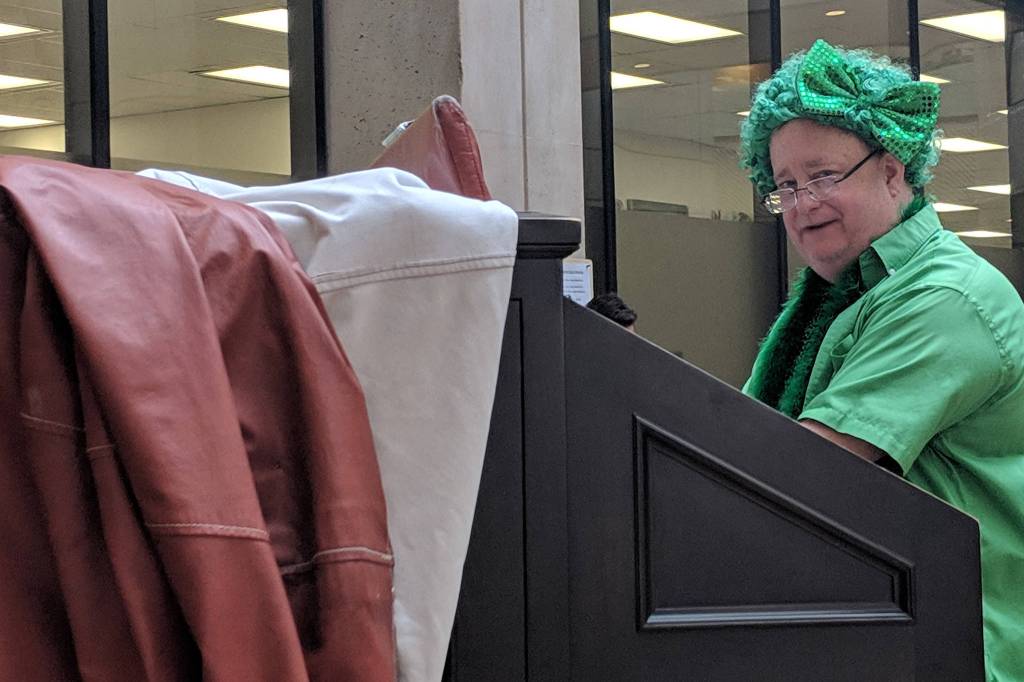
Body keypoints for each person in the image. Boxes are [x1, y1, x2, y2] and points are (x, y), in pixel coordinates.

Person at [739, 39, 1023, 680]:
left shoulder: (945, 297)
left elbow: (802, 469)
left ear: (893, 171)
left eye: (824, 176)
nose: (804, 205)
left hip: (961, 646)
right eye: (785, 185)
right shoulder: (843, 299)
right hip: (885, 633)